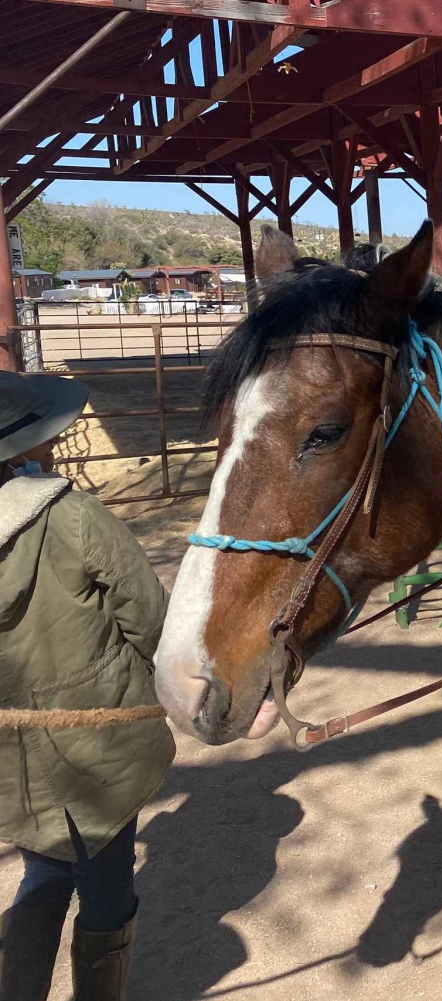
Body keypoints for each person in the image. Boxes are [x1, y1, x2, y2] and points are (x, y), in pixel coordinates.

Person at [0, 370, 175, 1001]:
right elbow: (148, 615)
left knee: (45, 868)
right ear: (26, 445)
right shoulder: (70, 516)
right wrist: (179, 687)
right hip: (99, 738)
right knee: (105, 886)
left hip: (13, 755)